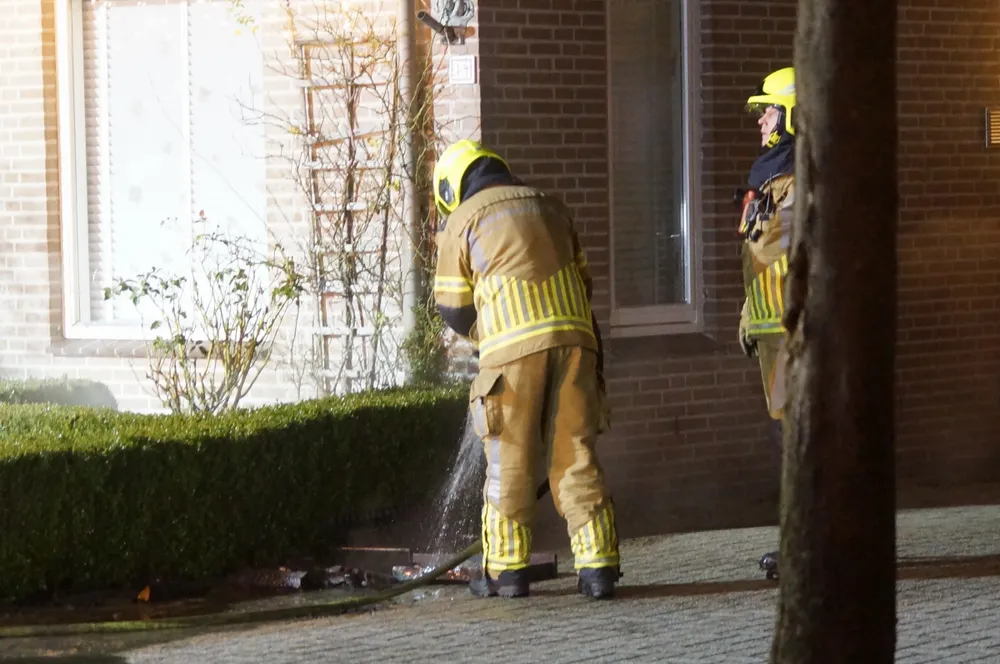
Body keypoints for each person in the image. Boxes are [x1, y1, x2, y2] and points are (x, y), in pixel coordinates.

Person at [432, 139, 621, 599]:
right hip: (576, 342)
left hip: (511, 354)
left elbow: (452, 305)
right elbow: (585, 283)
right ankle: (598, 567)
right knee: (575, 456)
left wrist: (487, 333)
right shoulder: (551, 206)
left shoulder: (463, 218)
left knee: (509, 462)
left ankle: (507, 573)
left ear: (451, 188)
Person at [737, 67, 796, 578]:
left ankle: (809, 543)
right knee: (789, 436)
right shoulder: (771, 177)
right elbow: (761, 253)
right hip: (773, 329)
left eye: (769, 112)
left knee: (801, 438)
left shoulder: (800, 179)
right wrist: (748, 311)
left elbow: (801, 252)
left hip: (795, 332)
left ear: (792, 115)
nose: (761, 122)